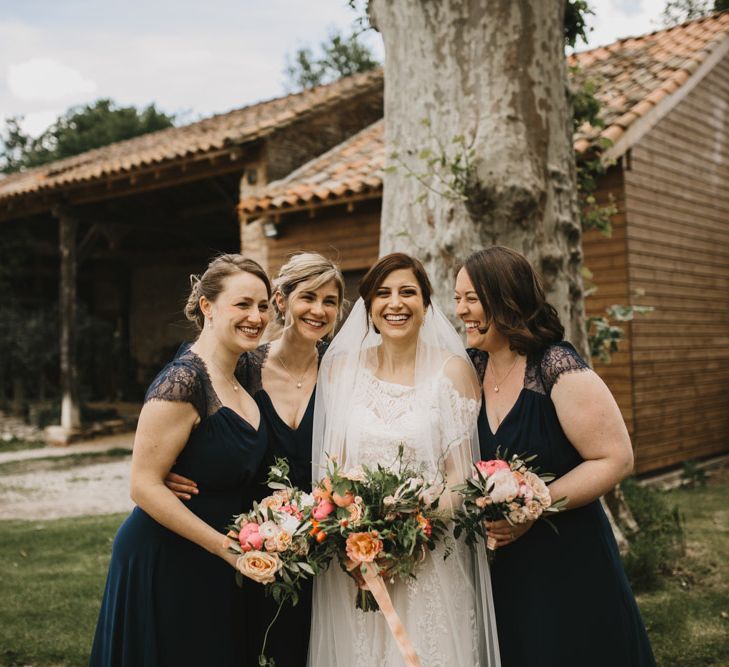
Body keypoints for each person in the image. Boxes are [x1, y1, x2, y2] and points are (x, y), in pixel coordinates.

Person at [454, 246, 656, 667]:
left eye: (471, 299)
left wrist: (534, 505)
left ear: (504, 298)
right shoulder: (470, 368)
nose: (461, 311)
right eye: (457, 299)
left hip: (569, 558)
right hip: (502, 568)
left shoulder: (554, 366)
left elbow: (615, 458)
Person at [308, 253, 500, 667]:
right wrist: (355, 539)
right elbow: (331, 474)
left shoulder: (453, 373)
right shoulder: (341, 370)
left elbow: (460, 479)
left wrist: (409, 527)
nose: (396, 303)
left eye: (408, 292)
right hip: (356, 562)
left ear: (426, 305)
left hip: (428, 560)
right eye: (384, 293)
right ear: (369, 307)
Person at [89, 254, 272, 667]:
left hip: (214, 560)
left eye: (263, 306)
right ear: (207, 307)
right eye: (242, 304)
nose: (256, 317)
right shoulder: (183, 381)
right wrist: (226, 548)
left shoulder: (245, 369)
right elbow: (143, 484)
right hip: (167, 556)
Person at [165, 252, 345, 667]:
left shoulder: (343, 371)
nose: (318, 310)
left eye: (330, 301)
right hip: (259, 551)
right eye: (307, 297)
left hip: (330, 545)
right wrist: (180, 469)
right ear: (282, 301)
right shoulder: (242, 366)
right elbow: (189, 415)